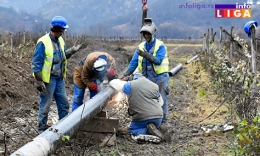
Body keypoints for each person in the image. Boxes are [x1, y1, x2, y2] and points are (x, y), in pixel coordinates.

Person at [31, 16, 82, 132]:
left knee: (64, 104)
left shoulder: (60, 41)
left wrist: (72, 51)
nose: (64, 32)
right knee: (45, 106)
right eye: (63, 30)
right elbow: (36, 63)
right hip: (48, 80)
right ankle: (41, 131)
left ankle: (63, 129)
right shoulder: (43, 42)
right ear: (58, 29)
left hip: (59, 79)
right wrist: (39, 81)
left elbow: (63, 56)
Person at [120, 18, 170, 123]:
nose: (147, 36)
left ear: (153, 34)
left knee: (161, 99)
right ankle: (150, 119)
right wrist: (124, 76)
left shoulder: (160, 46)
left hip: (160, 77)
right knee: (147, 99)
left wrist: (145, 54)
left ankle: (162, 121)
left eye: (148, 34)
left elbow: (158, 61)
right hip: (147, 77)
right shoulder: (141, 46)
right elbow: (133, 63)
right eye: (145, 34)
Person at [110, 73, 165, 143]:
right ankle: (156, 129)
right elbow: (161, 102)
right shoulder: (154, 85)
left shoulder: (130, 85)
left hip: (142, 117)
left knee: (132, 130)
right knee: (153, 124)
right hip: (158, 117)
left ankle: (146, 132)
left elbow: (113, 83)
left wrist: (116, 80)